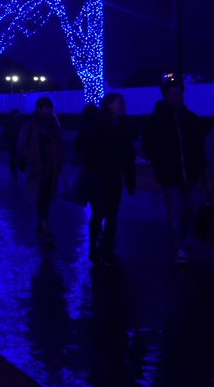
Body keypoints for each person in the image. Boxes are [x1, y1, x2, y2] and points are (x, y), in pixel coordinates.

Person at [142, 74, 207, 264]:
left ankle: (185, 240)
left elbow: (199, 147)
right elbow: (148, 145)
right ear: (165, 96)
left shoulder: (190, 118)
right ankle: (178, 246)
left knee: (193, 209)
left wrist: (202, 172)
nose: (176, 98)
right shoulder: (157, 120)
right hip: (171, 176)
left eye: (178, 94)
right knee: (175, 213)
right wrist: (161, 161)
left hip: (192, 174)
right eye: (172, 95)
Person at [76, 93, 136, 264]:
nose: (122, 106)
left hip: (113, 174)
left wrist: (130, 180)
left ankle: (106, 246)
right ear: (109, 105)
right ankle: (96, 245)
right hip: (98, 174)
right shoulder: (97, 123)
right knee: (100, 211)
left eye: (122, 103)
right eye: (118, 103)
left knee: (112, 213)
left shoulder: (124, 126)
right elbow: (81, 144)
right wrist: (96, 157)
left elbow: (128, 155)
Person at [17, 96, 64, 239]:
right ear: (39, 108)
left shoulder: (54, 124)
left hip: (51, 166)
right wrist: (31, 159)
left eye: (50, 108)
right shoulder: (31, 123)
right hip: (39, 166)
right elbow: (22, 144)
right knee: (42, 194)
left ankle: (42, 221)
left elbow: (59, 143)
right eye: (46, 108)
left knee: (48, 195)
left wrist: (60, 160)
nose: (49, 111)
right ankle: (44, 223)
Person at [0, 108, 23, 178]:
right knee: (14, 156)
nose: (18, 115)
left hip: (15, 141)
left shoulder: (15, 121)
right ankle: (14, 169)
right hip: (14, 141)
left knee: (14, 156)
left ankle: (14, 169)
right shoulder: (16, 121)